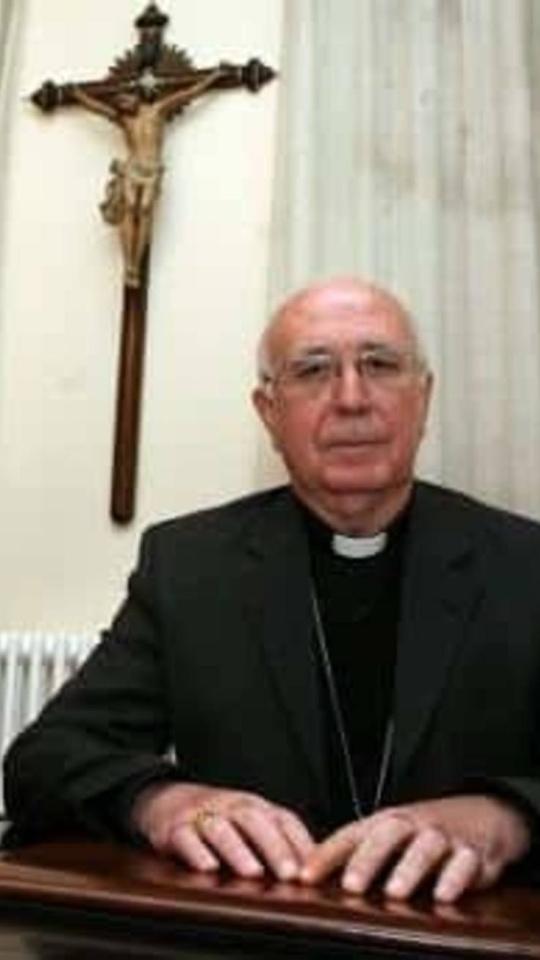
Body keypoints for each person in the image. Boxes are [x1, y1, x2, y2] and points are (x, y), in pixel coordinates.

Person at [4, 278, 540, 904]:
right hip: (256, 926)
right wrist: (163, 802)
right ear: (269, 413)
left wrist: (507, 818)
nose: (351, 398)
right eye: (313, 370)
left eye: (380, 365)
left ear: (424, 398)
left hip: (464, 931)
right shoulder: (191, 567)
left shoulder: (524, 566)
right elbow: (45, 760)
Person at [71, 68, 223, 287]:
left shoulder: (158, 110)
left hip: (152, 170)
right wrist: (78, 96)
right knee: (130, 209)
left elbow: (189, 93)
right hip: (132, 168)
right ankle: (130, 264)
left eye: (125, 100)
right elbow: (98, 109)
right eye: (120, 104)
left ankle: (136, 260)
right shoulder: (124, 121)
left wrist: (212, 78)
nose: (123, 105)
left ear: (138, 95)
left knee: (143, 211)